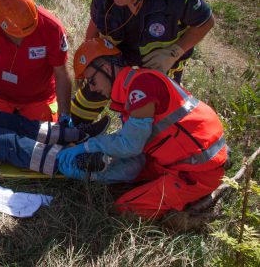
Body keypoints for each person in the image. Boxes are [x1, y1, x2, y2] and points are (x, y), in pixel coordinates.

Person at [58, 38, 228, 219]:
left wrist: (88, 146)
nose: (92, 89)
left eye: (91, 81)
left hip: (197, 171)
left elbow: (130, 145)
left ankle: (189, 214)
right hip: (175, 160)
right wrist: (93, 175)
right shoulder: (132, 89)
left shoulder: (141, 89)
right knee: (129, 175)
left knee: (124, 210)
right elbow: (136, 156)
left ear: (106, 69)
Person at [71, 0, 215, 125]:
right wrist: (86, 66)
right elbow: (95, 25)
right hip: (118, 56)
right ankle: (74, 133)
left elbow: (206, 22)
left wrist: (174, 53)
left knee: (153, 120)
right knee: (88, 98)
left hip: (161, 64)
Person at [0, 0, 73, 124]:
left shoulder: (52, 28)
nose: (23, 38)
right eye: (18, 34)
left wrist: (65, 115)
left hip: (39, 98)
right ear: (0, 24)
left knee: (42, 139)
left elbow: (62, 74)